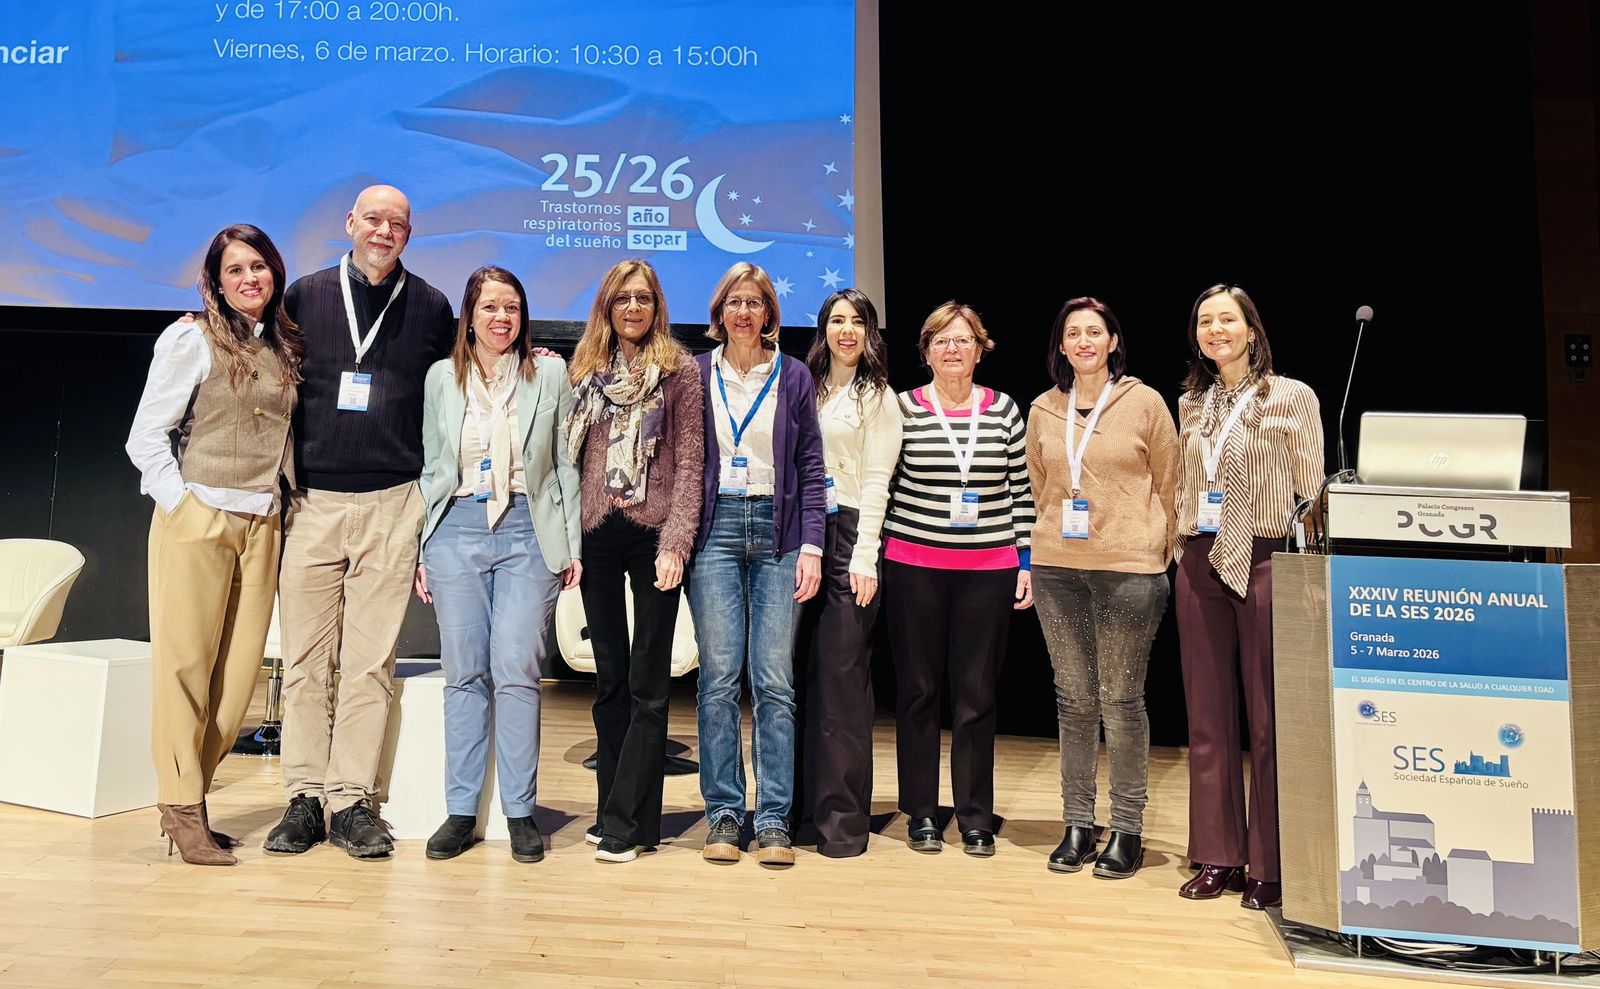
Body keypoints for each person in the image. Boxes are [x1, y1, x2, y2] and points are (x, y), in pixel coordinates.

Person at [265, 184, 456, 859]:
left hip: (393, 499)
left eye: (397, 223)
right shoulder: (304, 296)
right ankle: (304, 796)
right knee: (308, 660)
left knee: (371, 662)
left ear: (410, 232)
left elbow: (458, 387)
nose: (384, 231)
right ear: (350, 223)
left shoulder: (432, 306)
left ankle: (351, 799)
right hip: (313, 499)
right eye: (373, 219)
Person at [126, 223, 302, 865]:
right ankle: (180, 807)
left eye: (259, 266)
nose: (250, 278)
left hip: (263, 522)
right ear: (216, 281)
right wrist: (185, 505)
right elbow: (145, 436)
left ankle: (192, 795)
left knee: (236, 681)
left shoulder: (283, 348)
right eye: (235, 270)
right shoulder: (189, 339)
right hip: (201, 517)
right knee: (184, 667)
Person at [412, 266, 581, 863]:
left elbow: (564, 462)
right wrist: (419, 547)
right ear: (469, 315)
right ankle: (461, 811)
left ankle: (519, 811)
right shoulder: (440, 378)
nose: (501, 318)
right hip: (455, 528)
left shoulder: (549, 372)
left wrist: (571, 548)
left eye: (511, 307)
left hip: (527, 531)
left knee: (516, 668)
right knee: (463, 671)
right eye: (489, 307)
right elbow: (433, 465)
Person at [1173, 283, 1323, 910]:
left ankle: (1271, 863)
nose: (1216, 330)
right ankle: (1217, 854)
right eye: (1206, 321)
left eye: (1227, 320)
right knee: (1208, 721)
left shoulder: (1292, 395)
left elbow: (1312, 488)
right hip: (1199, 559)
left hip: (1265, 558)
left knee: (1267, 719)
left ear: (1252, 330)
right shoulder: (1192, 403)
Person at [1025, 297, 1178, 879]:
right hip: (1058, 567)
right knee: (1073, 698)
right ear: (1061, 346)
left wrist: (1155, 549)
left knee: (1120, 699)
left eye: (1095, 331)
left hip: (1130, 570)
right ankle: (1077, 823)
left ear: (1113, 341)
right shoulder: (1044, 408)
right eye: (1073, 333)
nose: (1084, 341)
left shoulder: (1145, 403)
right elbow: (1041, 486)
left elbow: (1170, 481)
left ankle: (1128, 829)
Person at [562, 259, 704, 864]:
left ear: (658, 306)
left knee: (649, 683)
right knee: (610, 682)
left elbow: (692, 464)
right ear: (607, 307)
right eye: (622, 299)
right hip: (598, 533)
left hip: (653, 536)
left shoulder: (680, 372)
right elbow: (572, 461)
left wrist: (675, 541)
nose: (633, 308)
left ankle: (627, 821)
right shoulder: (584, 370)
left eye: (643, 298)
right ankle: (617, 813)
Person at [882, 301, 1035, 857]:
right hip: (912, 566)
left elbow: (1022, 493)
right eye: (941, 340)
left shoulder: (1004, 411)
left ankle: (974, 815)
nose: (953, 349)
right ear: (925, 352)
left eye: (963, 340)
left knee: (976, 696)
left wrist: (1026, 563)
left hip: (987, 572)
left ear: (979, 349)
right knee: (918, 692)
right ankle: (921, 812)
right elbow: (885, 484)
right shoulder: (902, 409)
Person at [687, 261, 825, 868]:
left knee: (774, 680)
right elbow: (685, 461)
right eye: (734, 302)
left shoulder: (793, 376)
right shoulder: (694, 374)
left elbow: (811, 467)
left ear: (770, 314)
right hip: (714, 530)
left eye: (756, 302)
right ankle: (723, 812)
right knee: (718, 679)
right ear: (720, 314)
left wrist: (813, 546)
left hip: (779, 530)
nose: (745, 312)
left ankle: (772, 817)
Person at [791, 288, 901, 858]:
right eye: (837, 320)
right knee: (795, 679)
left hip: (850, 537)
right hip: (801, 532)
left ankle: (841, 822)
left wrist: (863, 556)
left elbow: (879, 480)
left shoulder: (879, 397)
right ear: (823, 329)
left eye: (858, 321)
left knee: (841, 686)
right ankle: (796, 813)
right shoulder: (803, 385)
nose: (847, 330)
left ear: (870, 332)